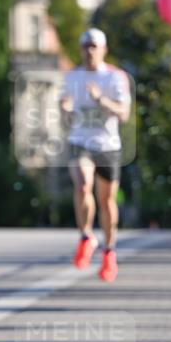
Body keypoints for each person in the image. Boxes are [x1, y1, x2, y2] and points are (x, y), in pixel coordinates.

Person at [60, 28, 131, 282]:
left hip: (108, 144)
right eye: (85, 46)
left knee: (107, 200)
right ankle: (86, 236)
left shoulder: (114, 77)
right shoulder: (72, 77)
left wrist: (100, 100)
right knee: (82, 184)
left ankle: (109, 251)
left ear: (103, 49)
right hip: (81, 142)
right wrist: (65, 109)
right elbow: (64, 109)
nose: (89, 51)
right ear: (79, 50)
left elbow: (124, 114)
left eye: (94, 46)